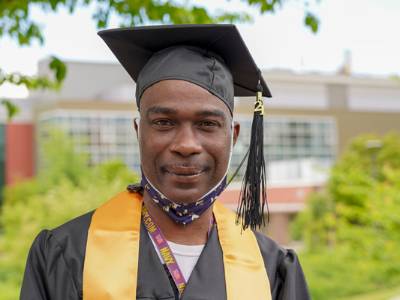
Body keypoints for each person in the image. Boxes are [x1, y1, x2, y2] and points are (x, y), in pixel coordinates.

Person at [20, 24, 310, 300]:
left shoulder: (271, 269)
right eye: (164, 122)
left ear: (232, 136)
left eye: (207, 124)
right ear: (138, 131)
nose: (186, 145)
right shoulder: (66, 254)